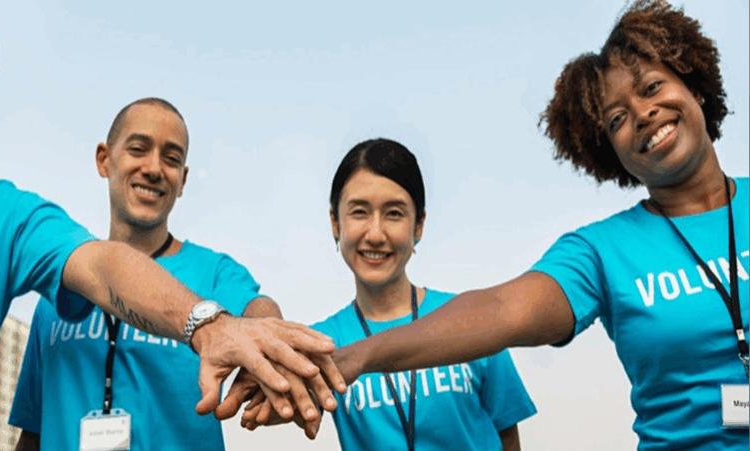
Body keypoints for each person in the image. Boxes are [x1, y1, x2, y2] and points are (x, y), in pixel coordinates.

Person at [0, 1, 343, 449]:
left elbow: (110, 269)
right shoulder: (51, 309)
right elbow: (32, 432)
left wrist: (216, 326)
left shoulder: (13, 220)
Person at [298, 1, 747, 450]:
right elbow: (501, 311)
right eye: (617, 119)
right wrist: (362, 353)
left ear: (695, 86)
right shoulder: (600, 253)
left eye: (652, 88)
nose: (643, 114)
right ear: (610, 150)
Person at [8, 98, 339, 450]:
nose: (153, 168)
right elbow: (33, 431)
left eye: (171, 158)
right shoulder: (61, 290)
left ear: (182, 180)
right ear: (104, 159)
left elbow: (257, 309)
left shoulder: (213, 272)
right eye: (138, 149)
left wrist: (270, 336)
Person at [226, 139, 537, 450]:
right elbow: (293, 399)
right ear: (336, 222)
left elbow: (507, 436)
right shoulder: (321, 344)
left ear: (419, 225)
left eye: (394, 214)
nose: (375, 234)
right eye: (359, 212)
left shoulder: (473, 321)